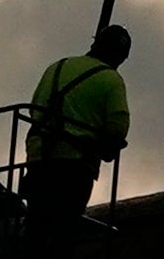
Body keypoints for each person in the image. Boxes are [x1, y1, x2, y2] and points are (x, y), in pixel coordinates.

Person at [22, 25, 134, 237]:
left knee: (35, 229)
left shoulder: (56, 67)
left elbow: (34, 108)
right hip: (74, 167)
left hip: (37, 161)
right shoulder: (111, 79)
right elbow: (117, 129)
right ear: (120, 57)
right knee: (62, 235)